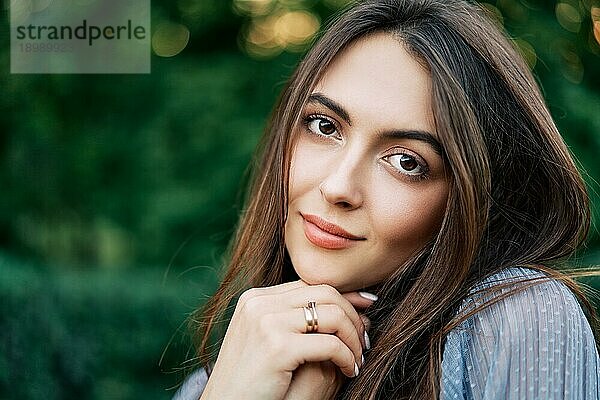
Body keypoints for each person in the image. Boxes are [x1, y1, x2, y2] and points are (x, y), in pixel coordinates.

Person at [172, 0, 600, 398]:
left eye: (406, 162)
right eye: (324, 126)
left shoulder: (519, 319)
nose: (338, 187)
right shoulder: (220, 377)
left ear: (473, 199)